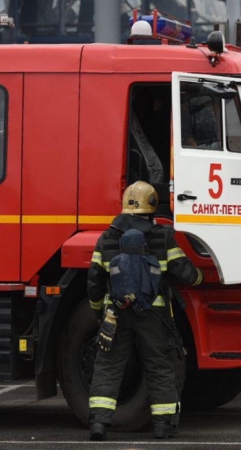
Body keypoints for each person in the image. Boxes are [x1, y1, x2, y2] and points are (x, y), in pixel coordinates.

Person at [87, 181, 203, 441]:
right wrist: (201, 277)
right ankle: (163, 426)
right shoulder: (162, 236)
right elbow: (184, 272)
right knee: (160, 366)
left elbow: (94, 280)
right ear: (151, 207)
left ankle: (98, 424)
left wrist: (99, 311)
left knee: (108, 366)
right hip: (153, 315)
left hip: (116, 314)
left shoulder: (107, 238)